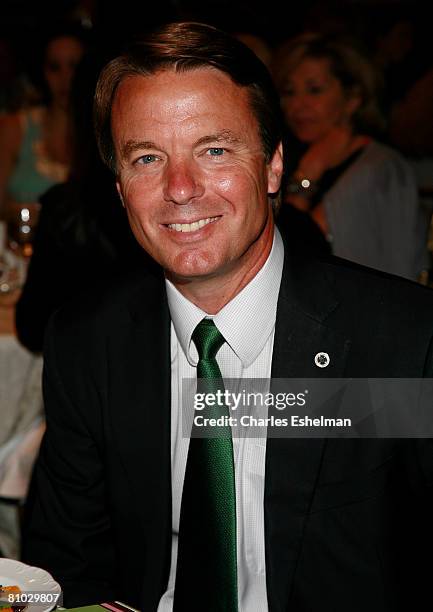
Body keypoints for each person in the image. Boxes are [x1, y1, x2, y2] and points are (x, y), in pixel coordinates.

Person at [21, 22, 433, 612]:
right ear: (119, 190)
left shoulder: (400, 342)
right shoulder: (91, 343)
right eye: (147, 158)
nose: (180, 188)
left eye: (214, 150)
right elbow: (65, 569)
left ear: (271, 167)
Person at [272, 33, 429, 280]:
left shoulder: (376, 167)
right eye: (289, 92)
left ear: (353, 98)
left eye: (314, 90)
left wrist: (307, 176)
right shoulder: (289, 159)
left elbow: (292, 252)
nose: (298, 105)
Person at [0, 23, 86, 221]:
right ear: (43, 73)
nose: (66, 78)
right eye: (55, 67)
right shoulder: (15, 128)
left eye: (74, 66)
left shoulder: (103, 132)